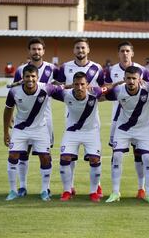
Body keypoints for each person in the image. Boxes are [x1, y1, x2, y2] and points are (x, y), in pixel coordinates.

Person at [3, 64, 62, 201]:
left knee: (45, 157)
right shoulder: (14, 92)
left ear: (37, 77)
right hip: (20, 129)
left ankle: (44, 190)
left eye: (33, 76)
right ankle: (14, 190)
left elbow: (65, 89)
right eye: (27, 76)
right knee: (13, 155)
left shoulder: (46, 88)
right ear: (22, 78)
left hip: (40, 129)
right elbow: (7, 110)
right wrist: (6, 132)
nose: (30, 79)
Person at [9, 37, 59, 198]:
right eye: (33, 49)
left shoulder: (53, 69)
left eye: (39, 49)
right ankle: (22, 187)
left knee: (45, 153)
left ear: (43, 51)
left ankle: (46, 188)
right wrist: (11, 114)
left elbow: (61, 86)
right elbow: (16, 91)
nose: (36, 52)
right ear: (29, 51)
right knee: (23, 152)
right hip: (24, 116)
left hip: (45, 116)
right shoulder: (20, 70)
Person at [55, 38, 105, 197]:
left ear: (88, 49)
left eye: (83, 48)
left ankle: (97, 187)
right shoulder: (65, 67)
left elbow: (104, 89)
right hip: (71, 114)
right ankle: (69, 186)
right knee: (70, 154)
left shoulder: (97, 68)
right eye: (77, 48)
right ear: (73, 50)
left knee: (94, 155)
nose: (80, 51)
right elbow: (58, 86)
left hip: (91, 116)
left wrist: (94, 94)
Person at [104, 41, 149, 199]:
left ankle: (142, 188)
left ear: (132, 53)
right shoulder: (111, 70)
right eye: (122, 51)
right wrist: (114, 85)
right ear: (118, 53)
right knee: (116, 154)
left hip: (139, 120)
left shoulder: (142, 70)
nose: (125, 53)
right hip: (118, 118)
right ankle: (115, 191)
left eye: (127, 51)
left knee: (140, 154)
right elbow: (104, 89)